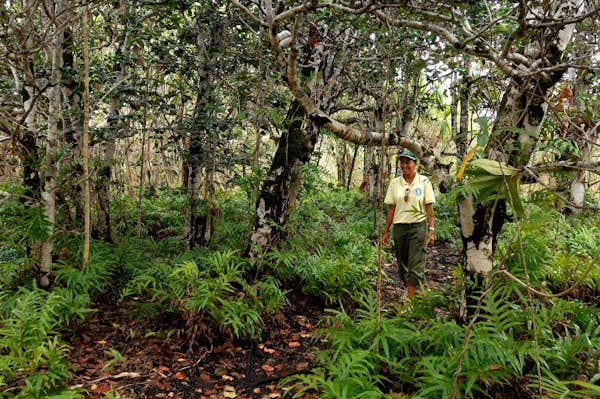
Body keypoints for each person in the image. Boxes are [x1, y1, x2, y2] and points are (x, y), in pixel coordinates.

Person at [382, 149, 435, 299]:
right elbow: (391, 209)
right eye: (402, 162)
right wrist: (386, 231)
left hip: (418, 227)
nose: (404, 165)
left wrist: (431, 229)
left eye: (408, 162)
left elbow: (428, 207)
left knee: (415, 263)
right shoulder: (395, 183)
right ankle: (415, 289)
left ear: (415, 164)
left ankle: (411, 302)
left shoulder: (424, 181)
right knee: (402, 265)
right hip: (400, 228)